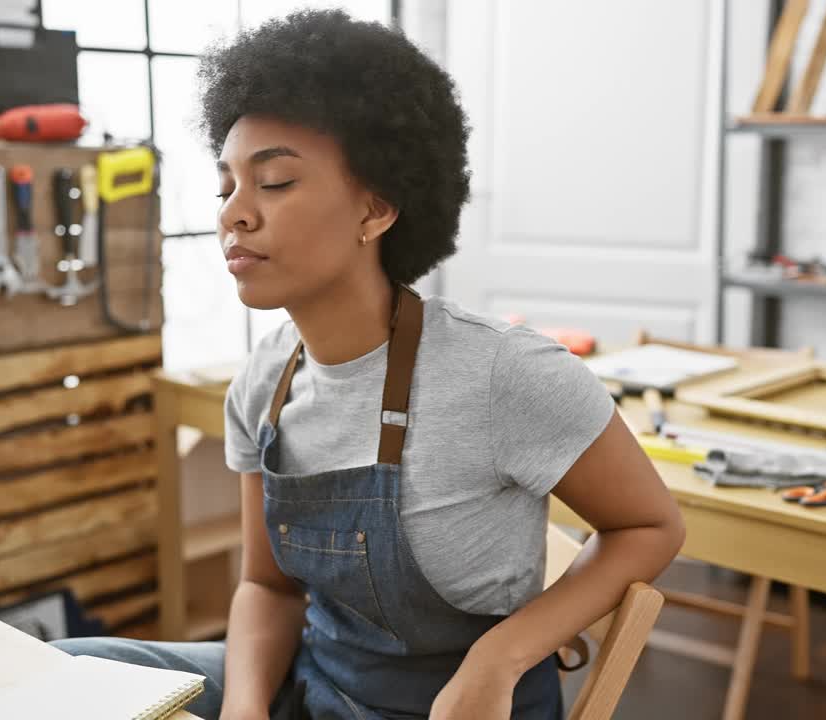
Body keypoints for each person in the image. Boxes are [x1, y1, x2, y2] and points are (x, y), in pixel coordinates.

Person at [54, 9, 685, 720]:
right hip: (310, 683)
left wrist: (498, 659)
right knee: (64, 671)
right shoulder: (263, 384)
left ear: (376, 209)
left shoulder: (503, 374)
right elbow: (267, 589)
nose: (233, 213)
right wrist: (246, 709)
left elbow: (651, 526)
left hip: (456, 708)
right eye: (226, 184)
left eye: (275, 183)